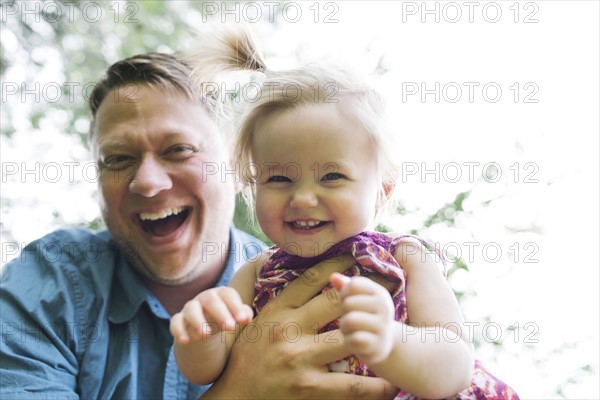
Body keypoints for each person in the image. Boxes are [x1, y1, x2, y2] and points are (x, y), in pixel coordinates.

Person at [0, 51, 398, 399]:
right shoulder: (50, 281)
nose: (149, 183)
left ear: (237, 169)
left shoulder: (318, 280)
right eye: (117, 159)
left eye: (179, 149)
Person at [170, 30, 520, 400]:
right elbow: (205, 370)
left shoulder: (404, 256)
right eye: (279, 178)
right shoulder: (256, 273)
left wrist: (390, 339)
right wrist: (202, 333)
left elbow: (454, 367)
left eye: (332, 176)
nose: (303, 198)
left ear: (382, 190)